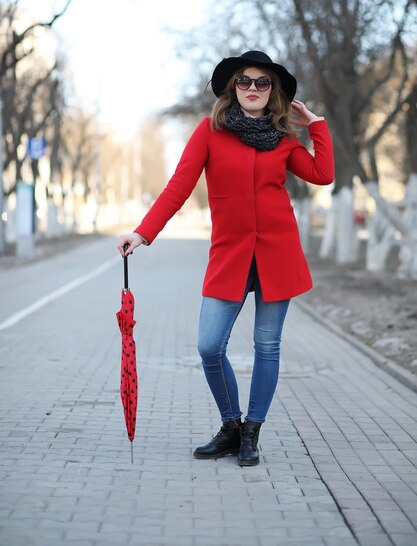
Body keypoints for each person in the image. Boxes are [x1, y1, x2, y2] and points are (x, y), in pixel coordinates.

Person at [117, 50, 334, 467]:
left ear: (273, 92)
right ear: (233, 88)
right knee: (209, 345)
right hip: (230, 256)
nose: (253, 88)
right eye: (244, 81)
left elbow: (323, 175)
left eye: (262, 82)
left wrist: (317, 127)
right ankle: (230, 424)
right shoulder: (210, 131)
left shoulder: (285, 137)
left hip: (277, 254)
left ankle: (252, 432)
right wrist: (143, 233)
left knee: (266, 346)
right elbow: (179, 186)